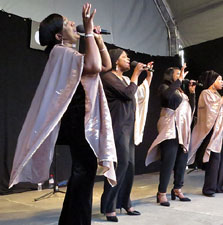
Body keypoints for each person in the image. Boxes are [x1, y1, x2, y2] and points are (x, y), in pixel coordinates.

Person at [9, 3, 117, 225]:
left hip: (81, 118)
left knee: (83, 172)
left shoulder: (69, 53)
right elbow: (95, 66)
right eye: (67, 22)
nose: (71, 23)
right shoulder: (59, 52)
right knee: (83, 171)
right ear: (59, 35)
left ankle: (70, 221)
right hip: (77, 119)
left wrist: (96, 38)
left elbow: (105, 65)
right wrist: (87, 29)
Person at [100, 48, 153, 222]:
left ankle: (124, 201)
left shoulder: (123, 79)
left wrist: (147, 77)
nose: (129, 60)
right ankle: (109, 206)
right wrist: (136, 74)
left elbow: (136, 95)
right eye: (125, 57)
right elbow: (128, 93)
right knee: (120, 166)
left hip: (128, 128)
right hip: (117, 128)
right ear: (116, 60)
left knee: (129, 166)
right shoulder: (108, 77)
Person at [145, 64, 195, 206]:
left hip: (182, 129)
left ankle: (177, 189)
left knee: (181, 160)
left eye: (181, 73)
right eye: (178, 73)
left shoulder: (180, 91)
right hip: (170, 128)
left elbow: (191, 109)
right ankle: (161, 193)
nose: (181, 75)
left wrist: (191, 93)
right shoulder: (164, 87)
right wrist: (179, 81)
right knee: (169, 161)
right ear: (170, 75)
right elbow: (169, 98)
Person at [188, 70, 223, 197]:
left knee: (222, 160)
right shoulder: (206, 93)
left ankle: (219, 186)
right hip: (215, 130)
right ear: (212, 81)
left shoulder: (218, 95)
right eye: (219, 80)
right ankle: (209, 188)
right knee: (214, 160)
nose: (222, 82)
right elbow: (212, 109)